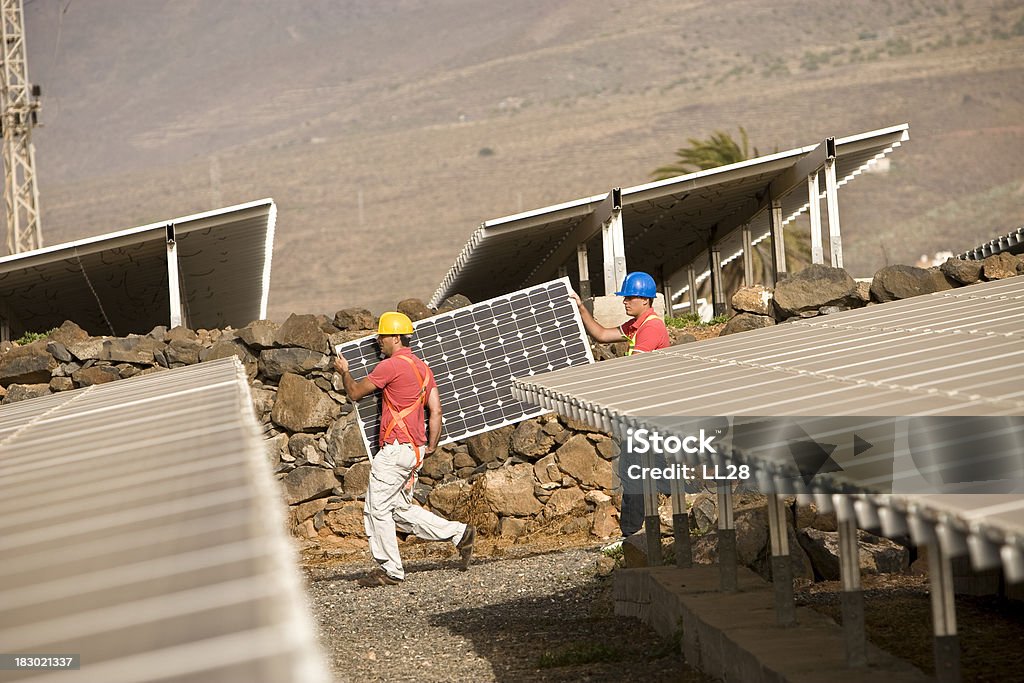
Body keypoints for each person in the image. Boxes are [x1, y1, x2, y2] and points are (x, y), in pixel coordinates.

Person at [333, 311, 476, 587]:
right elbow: (436, 411)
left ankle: (390, 570)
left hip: (396, 450)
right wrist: (431, 445)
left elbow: (354, 393)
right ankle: (460, 534)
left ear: (395, 337)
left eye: (383, 336)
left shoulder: (389, 366)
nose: (379, 341)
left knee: (376, 509)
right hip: (415, 450)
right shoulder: (423, 369)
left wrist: (345, 371)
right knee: (398, 509)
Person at [570, 271, 671, 542]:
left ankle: (632, 533)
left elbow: (633, 368)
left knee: (636, 470)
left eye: (630, 297)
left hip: (649, 413)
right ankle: (656, 524)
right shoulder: (636, 325)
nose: (625, 301)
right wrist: (580, 308)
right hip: (641, 413)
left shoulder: (651, 327)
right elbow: (602, 334)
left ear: (646, 300)